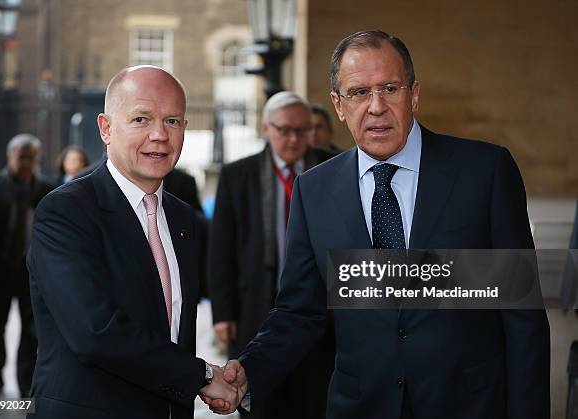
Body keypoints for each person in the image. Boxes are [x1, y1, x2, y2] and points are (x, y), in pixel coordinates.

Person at [213, 30, 550, 419]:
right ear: (338, 105)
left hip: (467, 404)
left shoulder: (485, 172)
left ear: (414, 95)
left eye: (390, 88)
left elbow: (522, 316)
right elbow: (300, 311)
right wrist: (249, 371)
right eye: (358, 93)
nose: (376, 107)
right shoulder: (314, 190)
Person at [26, 65, 239, 419]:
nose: (159, 135)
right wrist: (201, 376)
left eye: (172, 121)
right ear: (106, 128)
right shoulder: (66, 210)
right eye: (141, 119)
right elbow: (96, 332)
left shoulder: (184, 218)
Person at [207, 91, 336, 419]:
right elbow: (221, 246)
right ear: (266, 128)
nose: (293, 139)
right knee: (261, 398)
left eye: (302, 131)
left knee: (314, 395)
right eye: (284, 130)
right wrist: (222, 313)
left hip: (321, 304)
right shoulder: (239, 175)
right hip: (256, 303)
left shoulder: (333, 169)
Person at [0, 134, 54, 396]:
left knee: (31, 331)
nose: (26, 163)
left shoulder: (45, 189)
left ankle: (24, 381)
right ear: (10, 156)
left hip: (32, 273)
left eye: (31, 158)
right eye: (21, 157)